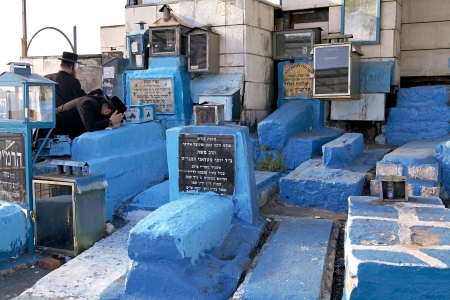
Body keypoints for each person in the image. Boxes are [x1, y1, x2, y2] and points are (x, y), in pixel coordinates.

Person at [52, 95, 126, 140]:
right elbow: (90, 126)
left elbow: (99, 124)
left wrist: (112, 124)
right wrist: (111, 121)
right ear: (107, 111)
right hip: (50, 130)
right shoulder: (87, 103)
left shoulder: (99, 105)